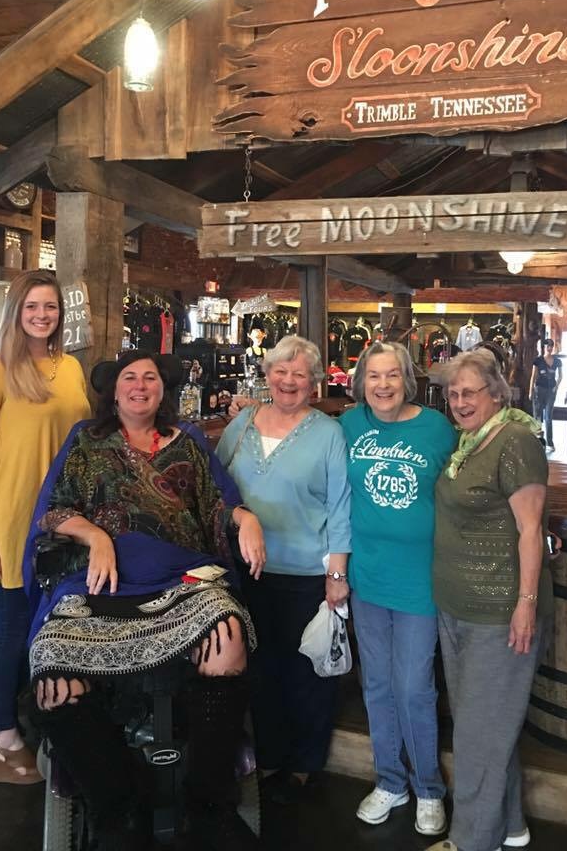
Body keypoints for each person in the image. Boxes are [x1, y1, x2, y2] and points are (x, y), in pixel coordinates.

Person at [27, 350, 266, 851]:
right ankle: (116, 808)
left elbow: (219, 503)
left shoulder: (189, 442)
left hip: (181, 579)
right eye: (129, 378)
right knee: (53, 670)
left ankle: (209, 804)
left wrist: (246, 519)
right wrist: (95, 535)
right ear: (113, 392)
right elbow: (54, 510)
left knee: (227, 636)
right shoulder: (86, 441)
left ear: (163, 389)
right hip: (101, 584)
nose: (140, 386)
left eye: (150, 378)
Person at [0, 270, 90, 784]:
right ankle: (0, 728)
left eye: (49, 307)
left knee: (45, 623)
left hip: (63, 516)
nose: (41, 315)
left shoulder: (70, 367)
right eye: (31, 306)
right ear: (16, 312)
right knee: (13, 623)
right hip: (12, 518)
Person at [428, 348, 553, 851]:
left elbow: (531, 530)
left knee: (477, 736)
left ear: (497, 394)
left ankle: (471, 841)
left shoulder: (515, 440)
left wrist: (525, 603)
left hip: (499, 612)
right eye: (452, 394)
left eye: (470, 392)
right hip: (457, 604)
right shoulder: (471, 440)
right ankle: (511, 825)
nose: (460, 402)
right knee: (485, 727)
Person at [216, 335, 351, 802]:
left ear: (314, 383)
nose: (289, 381)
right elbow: (215, 484)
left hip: (306, 573)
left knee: (307, 673)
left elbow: (340, 506)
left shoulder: (328, 433)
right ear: (267, 375)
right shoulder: (242, 424)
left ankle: (305, 763)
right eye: (280, 371)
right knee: (260, 669)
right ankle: (270, 755)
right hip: (245, 572)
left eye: (300, 374)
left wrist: (337, 575)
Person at [339, 342, 457, 836]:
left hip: (420, 580)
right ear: (360, 382)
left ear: (407, 380)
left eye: (392, 375)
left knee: (413, 687)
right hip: (367, 578)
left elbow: (465, 485)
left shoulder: (437, 428)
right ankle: (390, 781)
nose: (383, 385)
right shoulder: (348, 425)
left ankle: (429, 788)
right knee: (377, 685)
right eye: (373, 376)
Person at [528, 338, 562, 451]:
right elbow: (533, 376)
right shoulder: (538, 360)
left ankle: (550, 442)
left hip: (551, 391)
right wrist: (530, 391)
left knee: (548, 417)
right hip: (539, 390)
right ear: (544, 347)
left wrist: (556, 387)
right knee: (537, 416)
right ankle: (538, 441)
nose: (550, 348)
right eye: (548, 346)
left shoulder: (557, 361)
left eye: (551, 346)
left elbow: (560, 376)